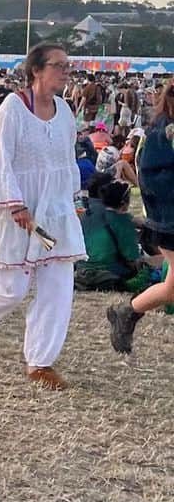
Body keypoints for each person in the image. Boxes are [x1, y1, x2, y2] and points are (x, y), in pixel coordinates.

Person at [0, 43, 85, 390]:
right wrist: (16, 204)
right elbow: (0, 160)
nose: (66, 72)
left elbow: (67, 160)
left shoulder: (66, 111)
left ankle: (40, 362)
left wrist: (74, 199)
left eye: (68, 66)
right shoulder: (13, 107)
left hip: (55, 209)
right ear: (37, 70)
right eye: (59, 66)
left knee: (58, 285)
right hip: (19, 210)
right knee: (12, 286)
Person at [107, 78, 174, 353]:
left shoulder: (160, 129)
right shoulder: (164, 132)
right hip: (169, 219)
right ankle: (128, 312)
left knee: (171, 288)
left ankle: (128, 312)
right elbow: (152, 179)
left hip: (165, 218)